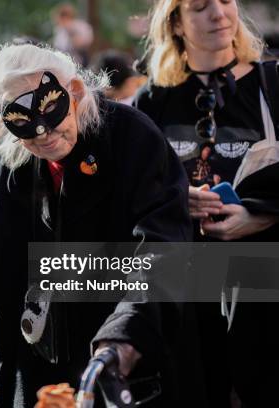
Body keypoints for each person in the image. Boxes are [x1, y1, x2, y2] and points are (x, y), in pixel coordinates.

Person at [0, 42, 192, 407]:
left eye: (51, 111)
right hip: (35, 358)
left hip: (115, 355)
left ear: (76, 91)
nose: (42, 133)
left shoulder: (132, 137)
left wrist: (129, 329)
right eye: (22, 124)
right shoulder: (13, 159)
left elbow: (162, 246)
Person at [134, 0, 279, 405]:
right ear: (175, 24)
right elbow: (133, 192)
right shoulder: (152, 101)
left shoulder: (274, 85)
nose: (218, 14)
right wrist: (177, 199)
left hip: (264, 287)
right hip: (185, 290)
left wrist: (259, 215)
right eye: (200, 7)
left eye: (226, 1)